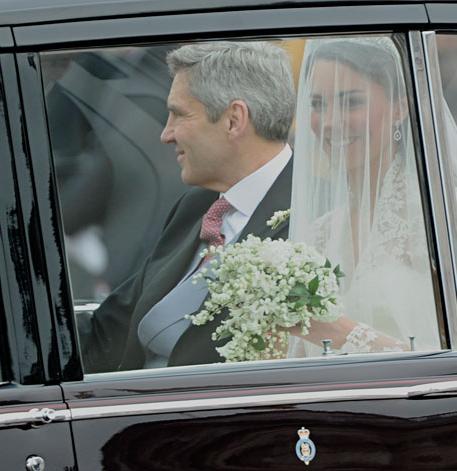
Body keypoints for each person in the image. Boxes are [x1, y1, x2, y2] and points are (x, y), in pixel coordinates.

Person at [288, 36, 457, 357]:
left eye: (351, 102)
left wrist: (345, 334)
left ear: (400, 107)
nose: (330, 122)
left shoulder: (448, 223)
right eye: (317, 105)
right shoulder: (320, 232)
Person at [82, 41, 296, 372]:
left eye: (179, 115)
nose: (166, 134)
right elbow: (110, 330)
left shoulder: (310, 218)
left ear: (233, 120)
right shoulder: (198, 206)